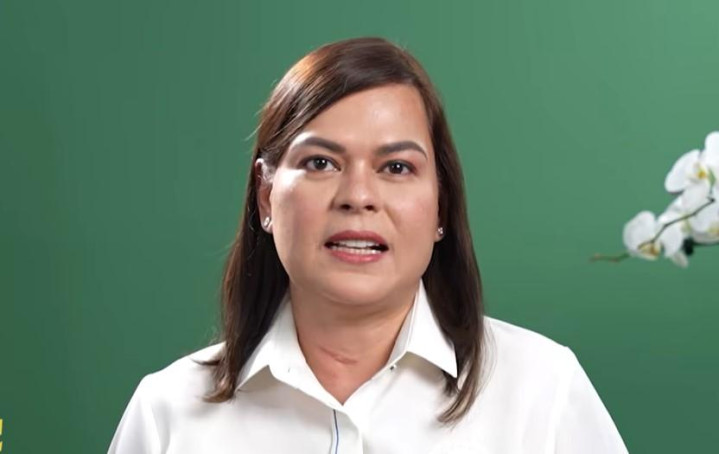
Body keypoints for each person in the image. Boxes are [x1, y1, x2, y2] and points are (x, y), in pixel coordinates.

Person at [108, 37, 629, 453]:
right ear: (266, 196)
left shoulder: (542, 391)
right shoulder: (168, 414)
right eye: (320, 163)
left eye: (396, 167)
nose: (358, 196)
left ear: (441, 207)